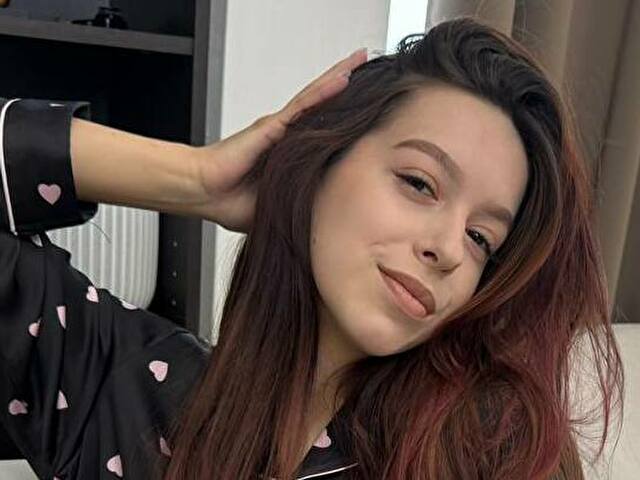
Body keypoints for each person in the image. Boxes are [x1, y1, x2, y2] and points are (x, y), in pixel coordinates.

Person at [0, 17, 622, 480]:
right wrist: (196, 179)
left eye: (481, 238)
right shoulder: (128, 386)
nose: (449, 250)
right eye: (419, 183)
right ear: (322, 162)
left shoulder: (495, 446)